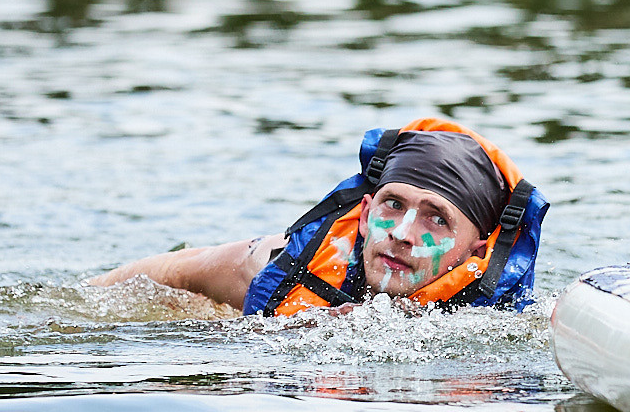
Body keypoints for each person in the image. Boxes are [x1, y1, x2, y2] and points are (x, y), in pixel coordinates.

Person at [88, 117, 545, 316]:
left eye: (437, 219)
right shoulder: (273, 267)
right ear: (365, 215)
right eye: (393, 205)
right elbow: (161, 272)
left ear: (477, 250)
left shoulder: (502, 321)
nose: (403, 233)